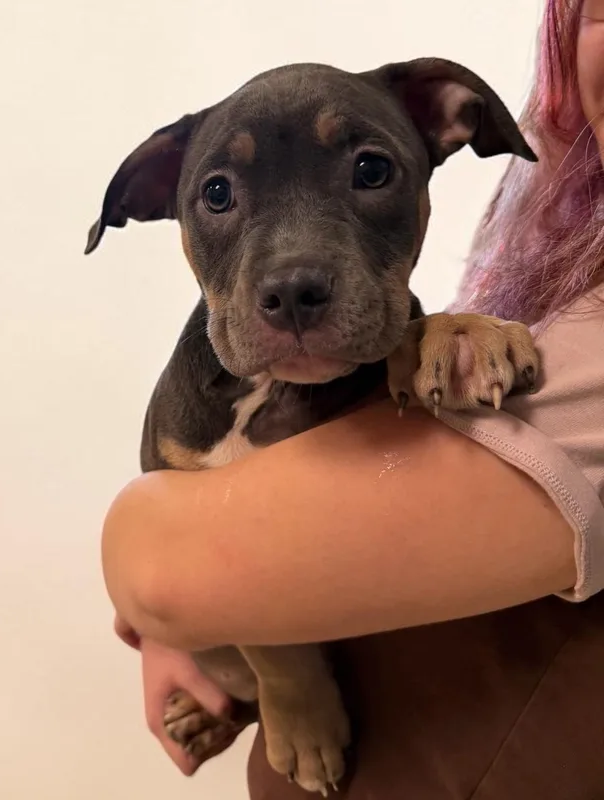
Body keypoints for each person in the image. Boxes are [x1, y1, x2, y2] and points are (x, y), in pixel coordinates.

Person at [103, 0, 604, 795]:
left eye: (370, 172)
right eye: (221, 195)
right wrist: (216, 656)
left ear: (444, 127)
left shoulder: (438, 354)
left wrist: (218, 633)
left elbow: (160, 567)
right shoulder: (187, 419)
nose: (293, 272)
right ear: (163, 195)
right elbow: (172, 580)